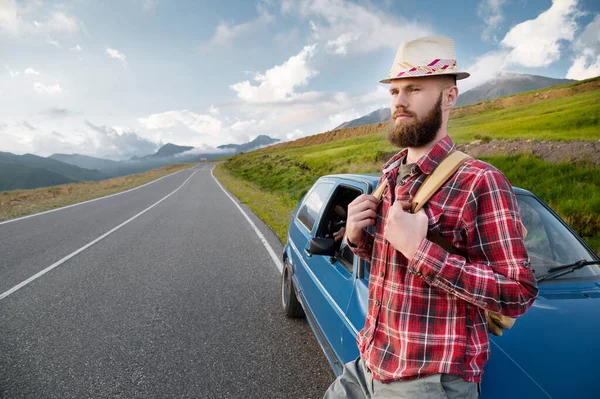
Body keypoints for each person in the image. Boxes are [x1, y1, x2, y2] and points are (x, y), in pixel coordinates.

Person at [323, 36, 539, 399]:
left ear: (449, 97)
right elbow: (393, 267)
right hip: (369, 364)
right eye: (394, 91)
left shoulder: (479, 181)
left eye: (414, 88)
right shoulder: (390, 173)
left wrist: (420, 249)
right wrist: (359, 240)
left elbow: (517, 293)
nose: (399, 102)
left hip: (428, 384)